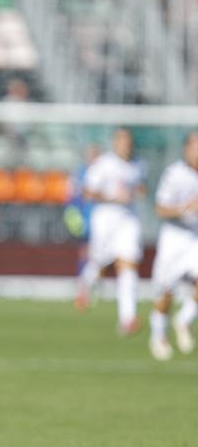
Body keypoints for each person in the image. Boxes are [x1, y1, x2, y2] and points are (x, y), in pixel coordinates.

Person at [75, 128, 146, 335]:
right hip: (105, 219)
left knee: (128, 264)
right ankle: (86, 283)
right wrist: (112, 196)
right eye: (122, 141)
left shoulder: (138, 164)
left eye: (129, 142)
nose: (126, 146)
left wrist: (137, 192)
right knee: (101, 262)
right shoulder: (103, 164)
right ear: (115, 143)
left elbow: (141, 188)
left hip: (127, 220)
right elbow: (87, 192)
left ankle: (127, 318)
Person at [147, 132, 198, 361]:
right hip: (175, 237)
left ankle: (185, 319)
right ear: (187, 149)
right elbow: (160, 208)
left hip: (195, 237)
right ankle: (158, 334)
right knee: (166, 291)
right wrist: (184, 209)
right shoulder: (175, 174)